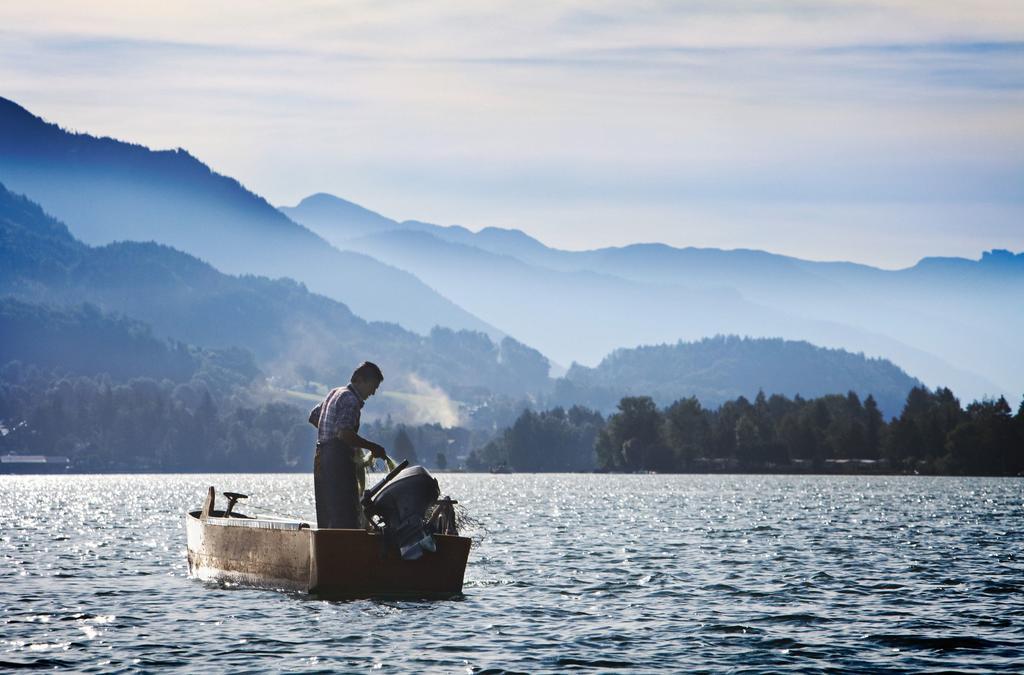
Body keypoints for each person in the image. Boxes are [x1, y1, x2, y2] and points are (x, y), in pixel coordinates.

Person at [308, 361, 388, 529]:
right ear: (359, 380)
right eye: (372, 386)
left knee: (328, 515)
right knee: (345, 516)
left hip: (321, 459)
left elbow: (314, 416)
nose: (373, 393)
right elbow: (344, 433)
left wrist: (332, 434)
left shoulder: (335, 393)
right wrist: (372, 447)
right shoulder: (351, 400)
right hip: (337, 464)